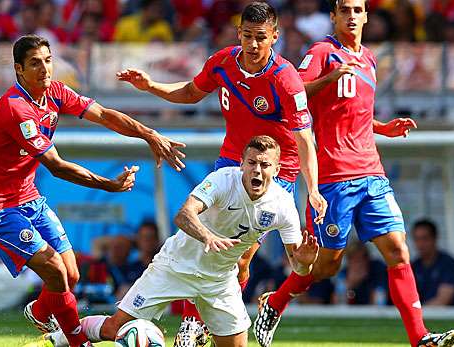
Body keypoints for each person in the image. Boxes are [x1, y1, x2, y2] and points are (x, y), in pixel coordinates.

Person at [116, 2, 327, 344]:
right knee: (206, 239)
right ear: (238, 33)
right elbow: (190, 92)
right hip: (232, 161)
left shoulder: (285, 79)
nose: (253, 44)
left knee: (241, 257)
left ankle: (219, 320)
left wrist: (312, 188)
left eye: (261, 37)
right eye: (247, 35)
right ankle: (192, 323)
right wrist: (152, 86)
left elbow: (305, 139)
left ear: (275, 37)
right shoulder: (224, 61)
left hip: (276, 169)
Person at [252, 1, 454, 347]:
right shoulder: (322, 51)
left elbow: (355, 114)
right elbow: (293, 93)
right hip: (334, 177)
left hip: (371, 171)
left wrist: (384, 128)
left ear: (365, 16)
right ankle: (276, 302)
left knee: (398, 250)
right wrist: (330, 77)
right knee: (326, 267)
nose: (351, 15)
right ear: (333, 16)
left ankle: (420, 338)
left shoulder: (370, 59)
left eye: (357, 9)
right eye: (344, 9)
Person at [0, 35, 185, 347]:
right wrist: (108, 185)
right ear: (19, 70)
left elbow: (105, 115)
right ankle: (76, 341)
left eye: (47, 60)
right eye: (34, 63)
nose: (44, 68)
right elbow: (56, 166)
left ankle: (42, 313)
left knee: (70, 275)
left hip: (27, 197)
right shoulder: (16, 110)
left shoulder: (54, 92)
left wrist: (148, 134)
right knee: (54, 269)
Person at [34, 135, 320, 347]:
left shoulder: (283, 205)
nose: (257, 171)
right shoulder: (222, 179)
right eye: (252, 163)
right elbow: (183, 215)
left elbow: (298, 265)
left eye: (265, 165)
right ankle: (59, 338)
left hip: (220, 280)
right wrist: (207, 235)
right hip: (174, 265)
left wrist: (305, 264)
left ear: (277, 168)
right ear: (242, 163)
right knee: (113, 329)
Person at [411, 219, 454, 306]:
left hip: (450, 318)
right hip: (423, 316)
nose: (420, 244)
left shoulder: (448, 264)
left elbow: (442, 301)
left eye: (425, 238)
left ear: (435, 238)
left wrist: (415, 313)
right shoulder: (414, 265)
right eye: (417, 239)